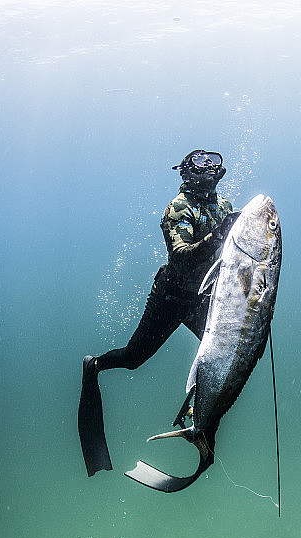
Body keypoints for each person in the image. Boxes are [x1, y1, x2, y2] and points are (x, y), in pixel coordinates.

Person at [78, 150, 239, 476]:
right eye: (199, 164)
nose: (208, 169)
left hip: (201, 298)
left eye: (212, 163)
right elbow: (181, 257)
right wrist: (219, 234)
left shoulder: (223, 206)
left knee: (223, 358)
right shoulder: (177, 208)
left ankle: (203, 430)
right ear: (186, 174)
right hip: (171, 295)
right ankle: (94, 366)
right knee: (134, 358)